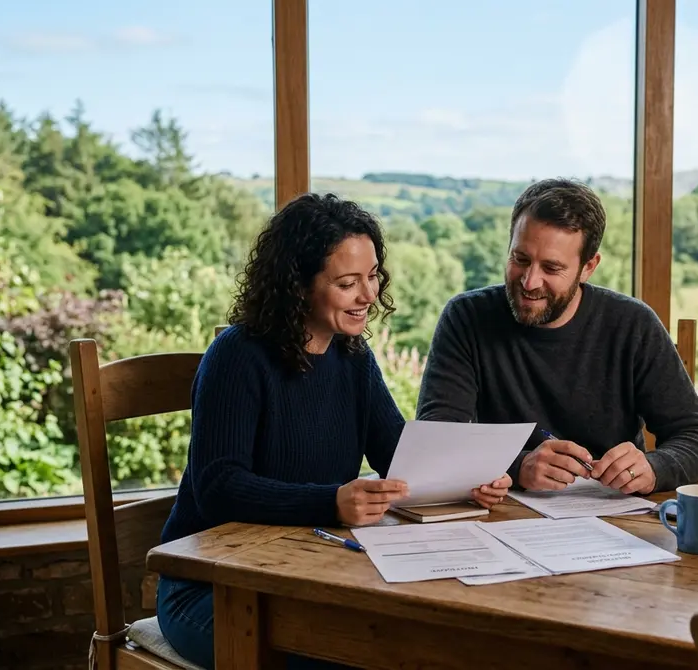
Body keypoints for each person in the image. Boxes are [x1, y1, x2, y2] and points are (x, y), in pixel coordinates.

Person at [155, 193, 511, 669]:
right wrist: (330, 501)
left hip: (306, 575)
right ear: (297, 285)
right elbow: (218, 487)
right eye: (348, 283)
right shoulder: (237, 357)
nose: (367, 296)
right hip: (211, 589)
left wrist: (470, 479)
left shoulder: (353, 356)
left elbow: (398, 455)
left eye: (372, 277)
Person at [416, 178, 698, 496]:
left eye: (551, 267)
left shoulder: (633, 324)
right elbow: (434, 443)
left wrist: (656, 467)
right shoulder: (466, 318)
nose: (530, 281)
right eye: (520, 260)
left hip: (615, 519)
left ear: (588, 267)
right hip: (502, 516)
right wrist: (518, 467)